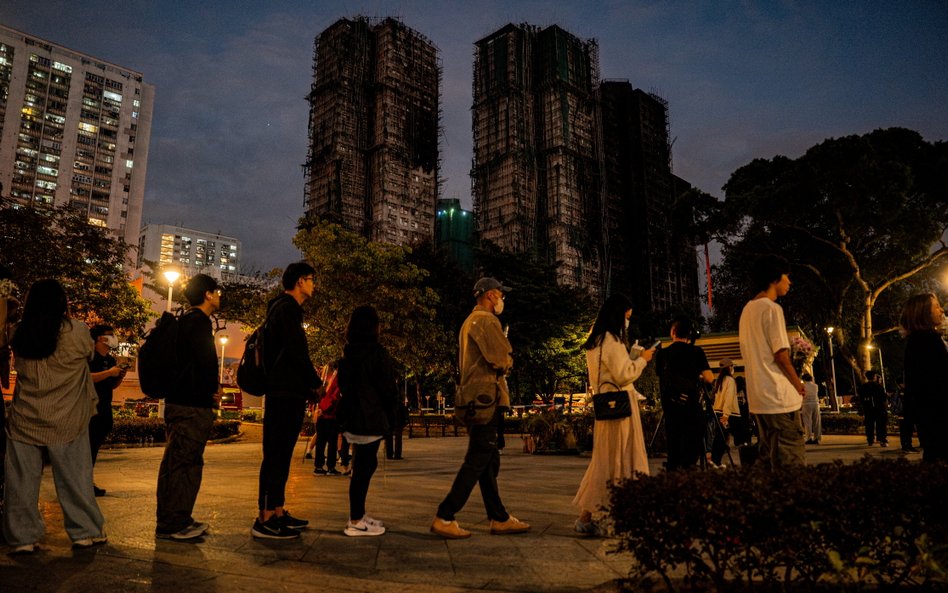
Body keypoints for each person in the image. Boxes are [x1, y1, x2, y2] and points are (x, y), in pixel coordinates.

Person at [3, 279, 106, 552]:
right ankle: (84, 531)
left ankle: (22, 538)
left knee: (20, 482)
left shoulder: (18, 332)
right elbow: (89, 355)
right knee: (75, 477)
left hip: (25, 417)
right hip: (67, 417)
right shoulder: (77, 331)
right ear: (62, 303)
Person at [430, 277, 529, 539]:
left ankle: (499, 517)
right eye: (500, 295)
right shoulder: (486, 320)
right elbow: (501, 358)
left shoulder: (469, 321)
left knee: (488, 459)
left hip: (473, 398)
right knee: (478, 458)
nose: (502, 300)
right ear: (490, 295)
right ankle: (445, 515)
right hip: (486, 398)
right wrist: (508, 359)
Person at [573, 293, 654, 535]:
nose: (627, 321)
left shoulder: (595, 341)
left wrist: (630, 359)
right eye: (627, 316)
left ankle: (587, 516)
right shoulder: (612, 341)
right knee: (624, 459)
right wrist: (642, 360)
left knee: (604, 461)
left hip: (604, 408)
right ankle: (622, 517)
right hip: (621, 410)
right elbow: (623, 374)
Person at [252, 262, 322, 539]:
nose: (314, 284)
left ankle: (278, 510)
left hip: (286, 392)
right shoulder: (287, 309)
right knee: (276, 455)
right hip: (283, 393)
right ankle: (265, 517)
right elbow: (297, 352)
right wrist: (316, 384)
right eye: (311, 279)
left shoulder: (282, 309)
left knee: (280, 455)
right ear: (300, 281)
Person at [155, 274, 220, 540]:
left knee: (181, 462)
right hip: (190, 405)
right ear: (207, 294)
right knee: (183, 463)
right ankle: (172, 523)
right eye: (216, 292)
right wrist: (212, 392)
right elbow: (205, 364)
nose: (219, 296)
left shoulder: (187, 321)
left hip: (183, 402)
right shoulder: (198, 322)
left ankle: (177, 518)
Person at [738, 255, 806, 469]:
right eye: (786, 276)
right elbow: (781, 356)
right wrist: (797, 384)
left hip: (759, 399)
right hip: (778, 396)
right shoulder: (771, 308)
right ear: (775, 278)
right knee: (790, 460)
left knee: (768, 461)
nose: (789, 282)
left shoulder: (747, 310)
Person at [336, 306, 398, 536]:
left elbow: (344, 386)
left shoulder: (347, 354)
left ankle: (359, 515)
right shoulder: (377, 354)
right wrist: (393, 414)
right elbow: (387, 388)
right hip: (370, 417)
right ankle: (355, 520)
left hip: (352, 417)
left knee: (363, 465)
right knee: (364, 467)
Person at [656, 317, 714, 470]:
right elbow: (709, 378)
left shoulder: (662, 354)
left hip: (671, 407)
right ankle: (689, 473)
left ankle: (673, 474)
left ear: (673, 332)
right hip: (692, 406)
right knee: (691, 448)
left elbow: (662, 378)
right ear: (689, 334)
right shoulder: (696, 352)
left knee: (673, 447)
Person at [900, 293, 947, 463]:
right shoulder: (926, 342)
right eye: (936, 306)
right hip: (939, 420)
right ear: (923, 313)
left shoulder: (920, 340)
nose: (942, 310)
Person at [88, 324, 127, 496]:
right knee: (87, 448)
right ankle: (83, 483)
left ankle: (87, 481)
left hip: (104, 408)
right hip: (89, 409)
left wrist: (119, 377)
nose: (113, 338)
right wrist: (109, 373)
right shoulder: (89, 357)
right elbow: (85, 378)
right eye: (110, 334)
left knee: (94, 448)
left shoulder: (110, 360)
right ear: (100, 338)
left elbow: (110, 385)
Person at [312, 363, 342, 475]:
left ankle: (319, 466)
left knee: (321, 442)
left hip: (321, 414)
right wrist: (325, 409)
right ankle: (330, 466)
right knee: (331, 443)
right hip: (330, 415)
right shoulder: (335, 380)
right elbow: (335, 397)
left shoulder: (322, 380)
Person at [710, 359, 740, 467]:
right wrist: (726, 414)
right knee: (722, 438)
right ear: (729, 367)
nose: (733, 368)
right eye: (732, 366)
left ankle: (714, 460)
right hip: (725, 413)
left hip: (718, 411)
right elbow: (729, 397)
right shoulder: (730, 380)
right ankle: (716, 461)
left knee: (719, 437)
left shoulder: (720, 380)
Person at [858, 370, 888, 447]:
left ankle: (870, 440)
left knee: (869, 425)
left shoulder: (863, 387)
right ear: (874, 377)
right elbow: (884, 397)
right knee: (880, 424)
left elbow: (860, 399)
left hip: (868, 409)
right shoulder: (879, 386)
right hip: (879, 408)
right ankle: (882, 439)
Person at [800, 372, 822, 445]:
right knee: (816, 421)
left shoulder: (803, 386)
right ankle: (817, 438)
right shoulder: (815, 386)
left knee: (807, 422)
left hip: (806, 404)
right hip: (815, 403)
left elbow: (801, 394)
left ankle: (808, 437)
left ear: (804, 379)